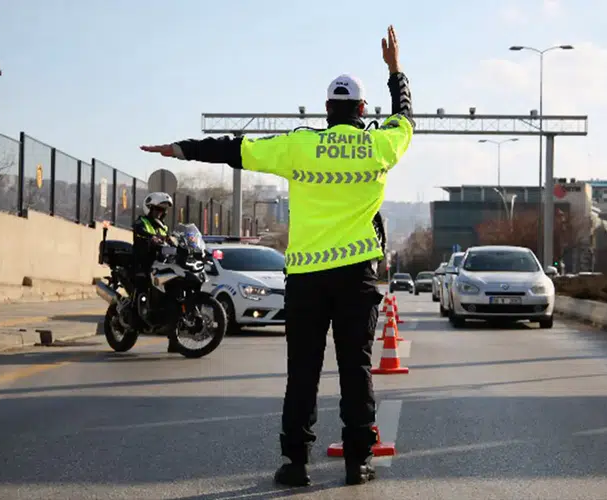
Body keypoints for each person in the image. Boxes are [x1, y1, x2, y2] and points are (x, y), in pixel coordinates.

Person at [139, 25, 413, 486]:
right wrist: (395, 70)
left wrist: (180, 149)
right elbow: (406, 117)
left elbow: (234, 150)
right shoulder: (380, 144)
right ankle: (357, 462)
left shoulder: (299, 144)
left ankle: (295, 464)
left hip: (306, 278)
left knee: (302, 373)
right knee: (356, 368)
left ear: (327, 110)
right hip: (356, 277)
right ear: (363, 111)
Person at [131, 192, 179, 353]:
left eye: (162, 210)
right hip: (143, 263)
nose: (159, 213)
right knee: (142, 288)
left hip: (160, 264)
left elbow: (169, 240)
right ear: (149, 209)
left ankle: (174, 339)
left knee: (172, 297)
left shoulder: (163, 226)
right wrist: (151, 237)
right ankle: (136, 315)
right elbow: (139, 230)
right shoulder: (141, 222)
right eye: (157, 209)